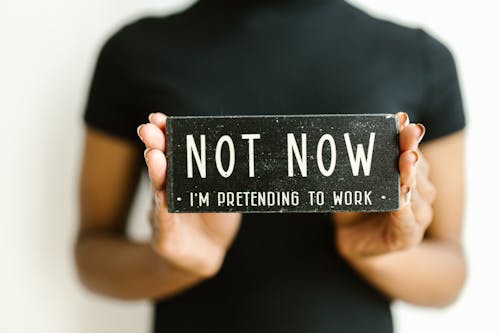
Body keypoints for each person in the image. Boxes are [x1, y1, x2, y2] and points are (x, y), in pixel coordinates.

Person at [75, 0, 466, 332]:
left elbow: (450, 271)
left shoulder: (420, 58)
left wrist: (376, 251)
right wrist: (177, 263)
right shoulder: (134, 52)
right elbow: (91, 251)